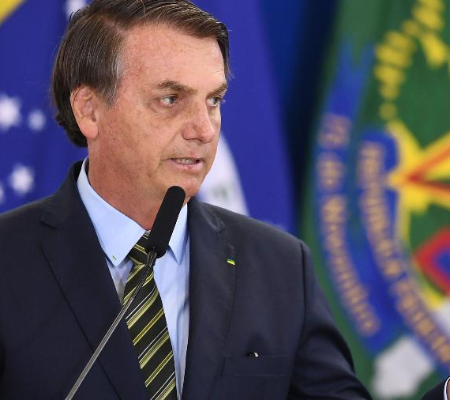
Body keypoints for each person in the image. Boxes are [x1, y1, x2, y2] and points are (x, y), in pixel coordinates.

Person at [0, 0, 376, 398]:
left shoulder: (280, 266)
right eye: (170, 99)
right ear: (89, 110)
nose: (204, 130)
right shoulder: (8, 261)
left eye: (213, 101)